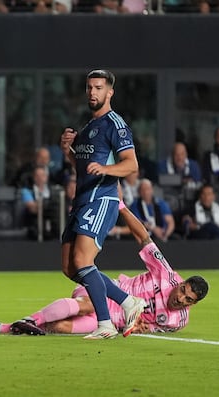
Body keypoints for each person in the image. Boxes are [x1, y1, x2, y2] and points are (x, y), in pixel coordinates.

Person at [0, 203, 209, 336]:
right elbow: (144, 238)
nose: (181, 299)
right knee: (90, 304)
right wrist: (122, 207)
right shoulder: (165, 273)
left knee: (60, 328)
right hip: (108, 291)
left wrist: (139, 328)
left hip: (114, 324)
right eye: (183, 291)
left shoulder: (179, 322)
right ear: (180, 282)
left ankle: (0, 327)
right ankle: (31, 318)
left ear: (193, 304)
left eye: (188, 300)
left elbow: (148, 328)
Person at [58, 69, 146, 339]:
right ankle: (129, 302)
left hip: (101, 199)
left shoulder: (115, 125)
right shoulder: (88, 127)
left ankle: (105, 323)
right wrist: (68, 152)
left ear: (110, 92)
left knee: (83, 260)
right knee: (70, 268)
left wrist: (107, 170)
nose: (92, 93)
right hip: (81, 200)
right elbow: (84, 167)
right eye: (89, 88)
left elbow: (131, 165)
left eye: (98, 88)